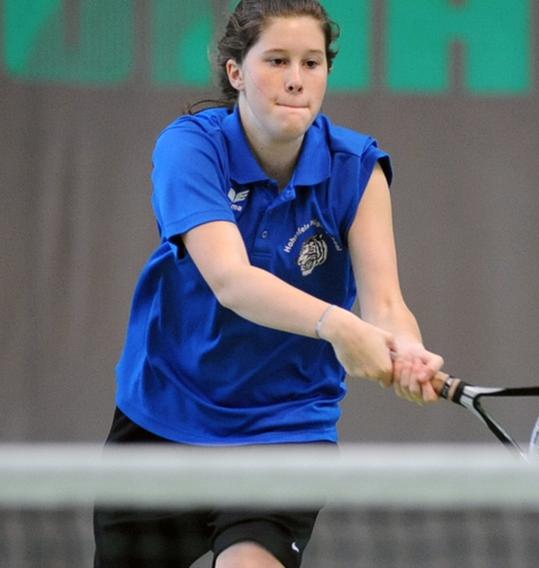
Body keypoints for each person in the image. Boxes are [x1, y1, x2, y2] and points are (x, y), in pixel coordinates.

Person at [94, 1, 443, 566]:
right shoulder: (191, 149)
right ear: (236, 72)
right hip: (166, 414)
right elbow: (231, 280)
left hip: (284, 424)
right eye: (276, 60)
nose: (295, 80)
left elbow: (385, 303)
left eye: (312, 63)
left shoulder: (356, 168)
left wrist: (406, 347)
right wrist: (338, 326)